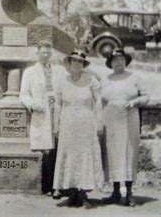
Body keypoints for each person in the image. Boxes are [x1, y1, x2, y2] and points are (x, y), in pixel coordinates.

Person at [52, 50, 103, 209]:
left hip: (85, 122)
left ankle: (83, 193)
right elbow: (58, 103)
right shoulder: (62, 80)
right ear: (69, 62)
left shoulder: (91, 80)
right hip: (68, 123)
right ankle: (72, 193)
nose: (77, 64)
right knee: (69, 155)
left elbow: (99, 101)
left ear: (83, 64)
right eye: (74, 61)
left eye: (80, 62)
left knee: (84, 155)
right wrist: (56, 124)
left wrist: (99, 121)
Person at [100, 48, 149, 206]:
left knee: (128, 153)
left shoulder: (134, 77)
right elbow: (100, 101)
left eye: (121, 59)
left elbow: (146, 96)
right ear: (111, 63)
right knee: (113, 153)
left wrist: (135, 102)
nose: (118, 62)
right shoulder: (105, 80)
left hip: (129, 118)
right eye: (115, 60)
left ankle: (128, 193)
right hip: (111, 120)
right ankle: (115, 192)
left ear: (125, 61)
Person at [19, 40, 67, 194]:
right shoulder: (30, 72)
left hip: (57, 111)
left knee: (58, 148)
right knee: (46, 149)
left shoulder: (60, 71)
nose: (45, 55)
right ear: (37, 53)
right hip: (41, 112)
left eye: (48, 53)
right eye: (43, 53)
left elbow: (67, 89)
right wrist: (33, 105)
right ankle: (47, 186)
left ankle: (58, 186)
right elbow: (24, 94)